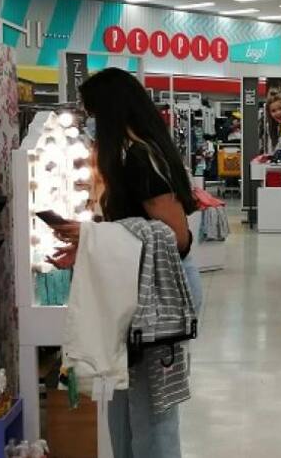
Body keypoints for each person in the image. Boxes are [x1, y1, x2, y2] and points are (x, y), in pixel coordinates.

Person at [47, 67, 202, 458]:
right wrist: (88, 245)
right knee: (123, 400)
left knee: (152, 410)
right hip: (135, 288)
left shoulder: (140, 157)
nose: (90, 125)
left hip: (160, 294)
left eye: (93, 115)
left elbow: (176, 238)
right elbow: (133, 231)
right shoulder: (124, 157)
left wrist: (95, 236)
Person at [263, 89, 281, 153]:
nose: (278, 113)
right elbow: (270, 148)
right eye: (273, 111)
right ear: (269, 113)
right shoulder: (270, 126)